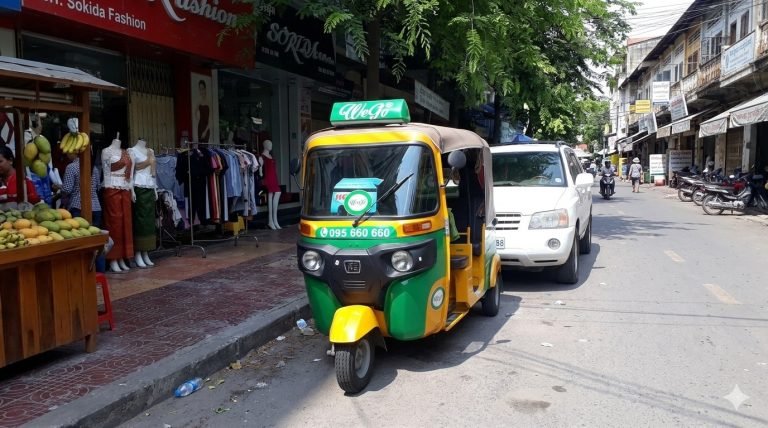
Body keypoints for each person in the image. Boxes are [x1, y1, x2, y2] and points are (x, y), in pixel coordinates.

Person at [102, 137, 134, 273]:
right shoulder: (106, 151)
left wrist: (131, 190)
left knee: (125, 223)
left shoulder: (126, 152)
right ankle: (113, 257)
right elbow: (106, 172)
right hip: (112, 188)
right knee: (114, 223)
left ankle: (123, 256)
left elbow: (130, 174)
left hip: (125, 188)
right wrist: (108, 188)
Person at [128, 139, 158, 268]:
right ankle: (138, 252)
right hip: (138, 186)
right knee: (140, 220)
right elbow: (130, 172)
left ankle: (146, 251)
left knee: (149, 221)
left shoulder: (150, 151)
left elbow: (153, 172)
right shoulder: (132, 151)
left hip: (150, 186)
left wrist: (155, 189)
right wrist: (131, 190)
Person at [61, 152, 102, 225]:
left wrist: (59, 188)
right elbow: (98, 187)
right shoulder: (94, 168)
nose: (66, 154)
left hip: (78, 207)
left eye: (67, 152)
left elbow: (67, 189)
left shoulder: (71, 167)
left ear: (74, 152)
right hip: (96, 207)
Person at [260, 139, 281, 229]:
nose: (271, 146)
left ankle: (274, 220)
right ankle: (271, 221)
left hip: (273, 178)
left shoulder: (270, 156)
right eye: (269, 144)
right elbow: (260, 170)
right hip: (268, 178)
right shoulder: (262, 157)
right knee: (271, 194)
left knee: (277, 193)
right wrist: (261, 175)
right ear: (265, 145)